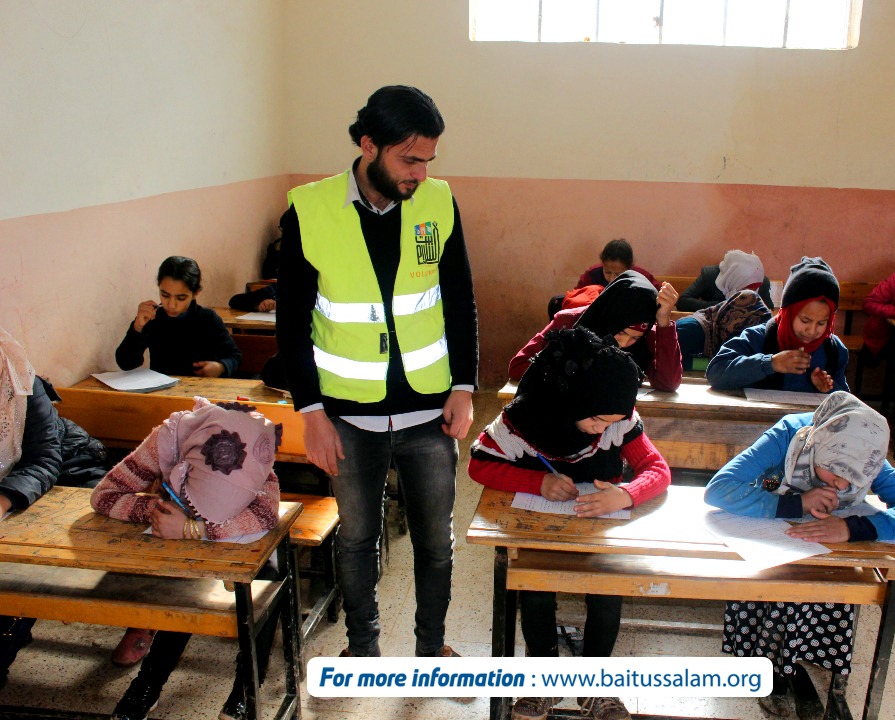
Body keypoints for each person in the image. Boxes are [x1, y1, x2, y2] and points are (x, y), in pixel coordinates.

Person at [276, 85, 478, 658]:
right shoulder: (309, 210)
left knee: (436, 544)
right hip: (346, 414)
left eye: (427, 161)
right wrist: (310, 413)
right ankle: (363, 652)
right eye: (408, 159)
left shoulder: (437, 203)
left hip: (429, 411)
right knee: (358, 540)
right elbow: (291, 325)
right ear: (369, 145)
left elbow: (459, 299)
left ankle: (432, 647)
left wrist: (464, 386)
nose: (419, 173)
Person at [470, 327, 671, 720]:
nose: (603, 429)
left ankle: (595, 685)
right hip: (543, 528)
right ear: (571, 400)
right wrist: (537, 481)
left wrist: (626, 494)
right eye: (596, 420)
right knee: (536, 586)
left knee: (608, 588)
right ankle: (542, 677)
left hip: (599, 528)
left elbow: (657, 469)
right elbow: (479, 464)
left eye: (611, 421)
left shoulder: (617, 417)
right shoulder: (523, 420)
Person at [703, 392, 895, 718]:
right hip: (769, 544)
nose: (842, 485)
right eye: (834, 473)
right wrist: (797, 503)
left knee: (826, 585)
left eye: (853, 479)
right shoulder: (791, 434)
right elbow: (719, 489)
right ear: (818, 447)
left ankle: (797, 667)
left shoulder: (865, 451)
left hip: (823, 554)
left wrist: (854, 529)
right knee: (778, 584)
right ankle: (772, 669)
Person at [87, 398, 282, 720]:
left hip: (237, 546)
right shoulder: (169, 439)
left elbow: (265, 515)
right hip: (180, 550)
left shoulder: (251, 449)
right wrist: (156, 513)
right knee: (183, 591)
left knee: (268, 580)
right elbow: (104, 495)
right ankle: (148, 684)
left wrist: (196, 528)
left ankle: (247, 688)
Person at [0, 329, 62, 691]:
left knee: (27, 571)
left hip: (30, 492)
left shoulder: (21, 381)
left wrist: (5, 499)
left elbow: (45, 459)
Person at [510, 270, 682, 392]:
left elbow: (668, 383)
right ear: (609, 316)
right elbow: (519, 366)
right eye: (620, 333)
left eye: (634, 338)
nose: (622, 344)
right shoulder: (569, 322)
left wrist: (664, 322)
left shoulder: (647, 335)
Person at [706, 257, 849, 394]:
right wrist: (771, 363)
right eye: (805, 321)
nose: (811, 331)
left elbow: (847, 401)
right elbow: (715, 372)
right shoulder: (758, 338)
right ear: (788, 313)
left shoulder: (834, 351)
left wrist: (828, 388)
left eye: (821, 323)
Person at [115, 256, 242, 378]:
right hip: (161, 391)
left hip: (200, 393)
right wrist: (137, 328)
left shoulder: (207, 319)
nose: (171, 304)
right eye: (165, 295)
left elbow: (234, 356)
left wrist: (221, 367)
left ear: (195, 293)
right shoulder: (153, 318)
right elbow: (126, 364)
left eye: (181, 298)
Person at [546, 239, 660, 318]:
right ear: (603, 264)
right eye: (608, 272)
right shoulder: (592, 275)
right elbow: (578, 298)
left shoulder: (640, 277)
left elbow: (659, 294)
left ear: (630, 268)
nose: (612, 278)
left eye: (618, 274)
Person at [674, 249, 774, 312]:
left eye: (755, 288)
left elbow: (768, 309)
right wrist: (722, 306)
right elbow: (683, 301)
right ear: (736, 279)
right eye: (748, 287)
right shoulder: (710, 276)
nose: (752, 291)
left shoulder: (762, 282)